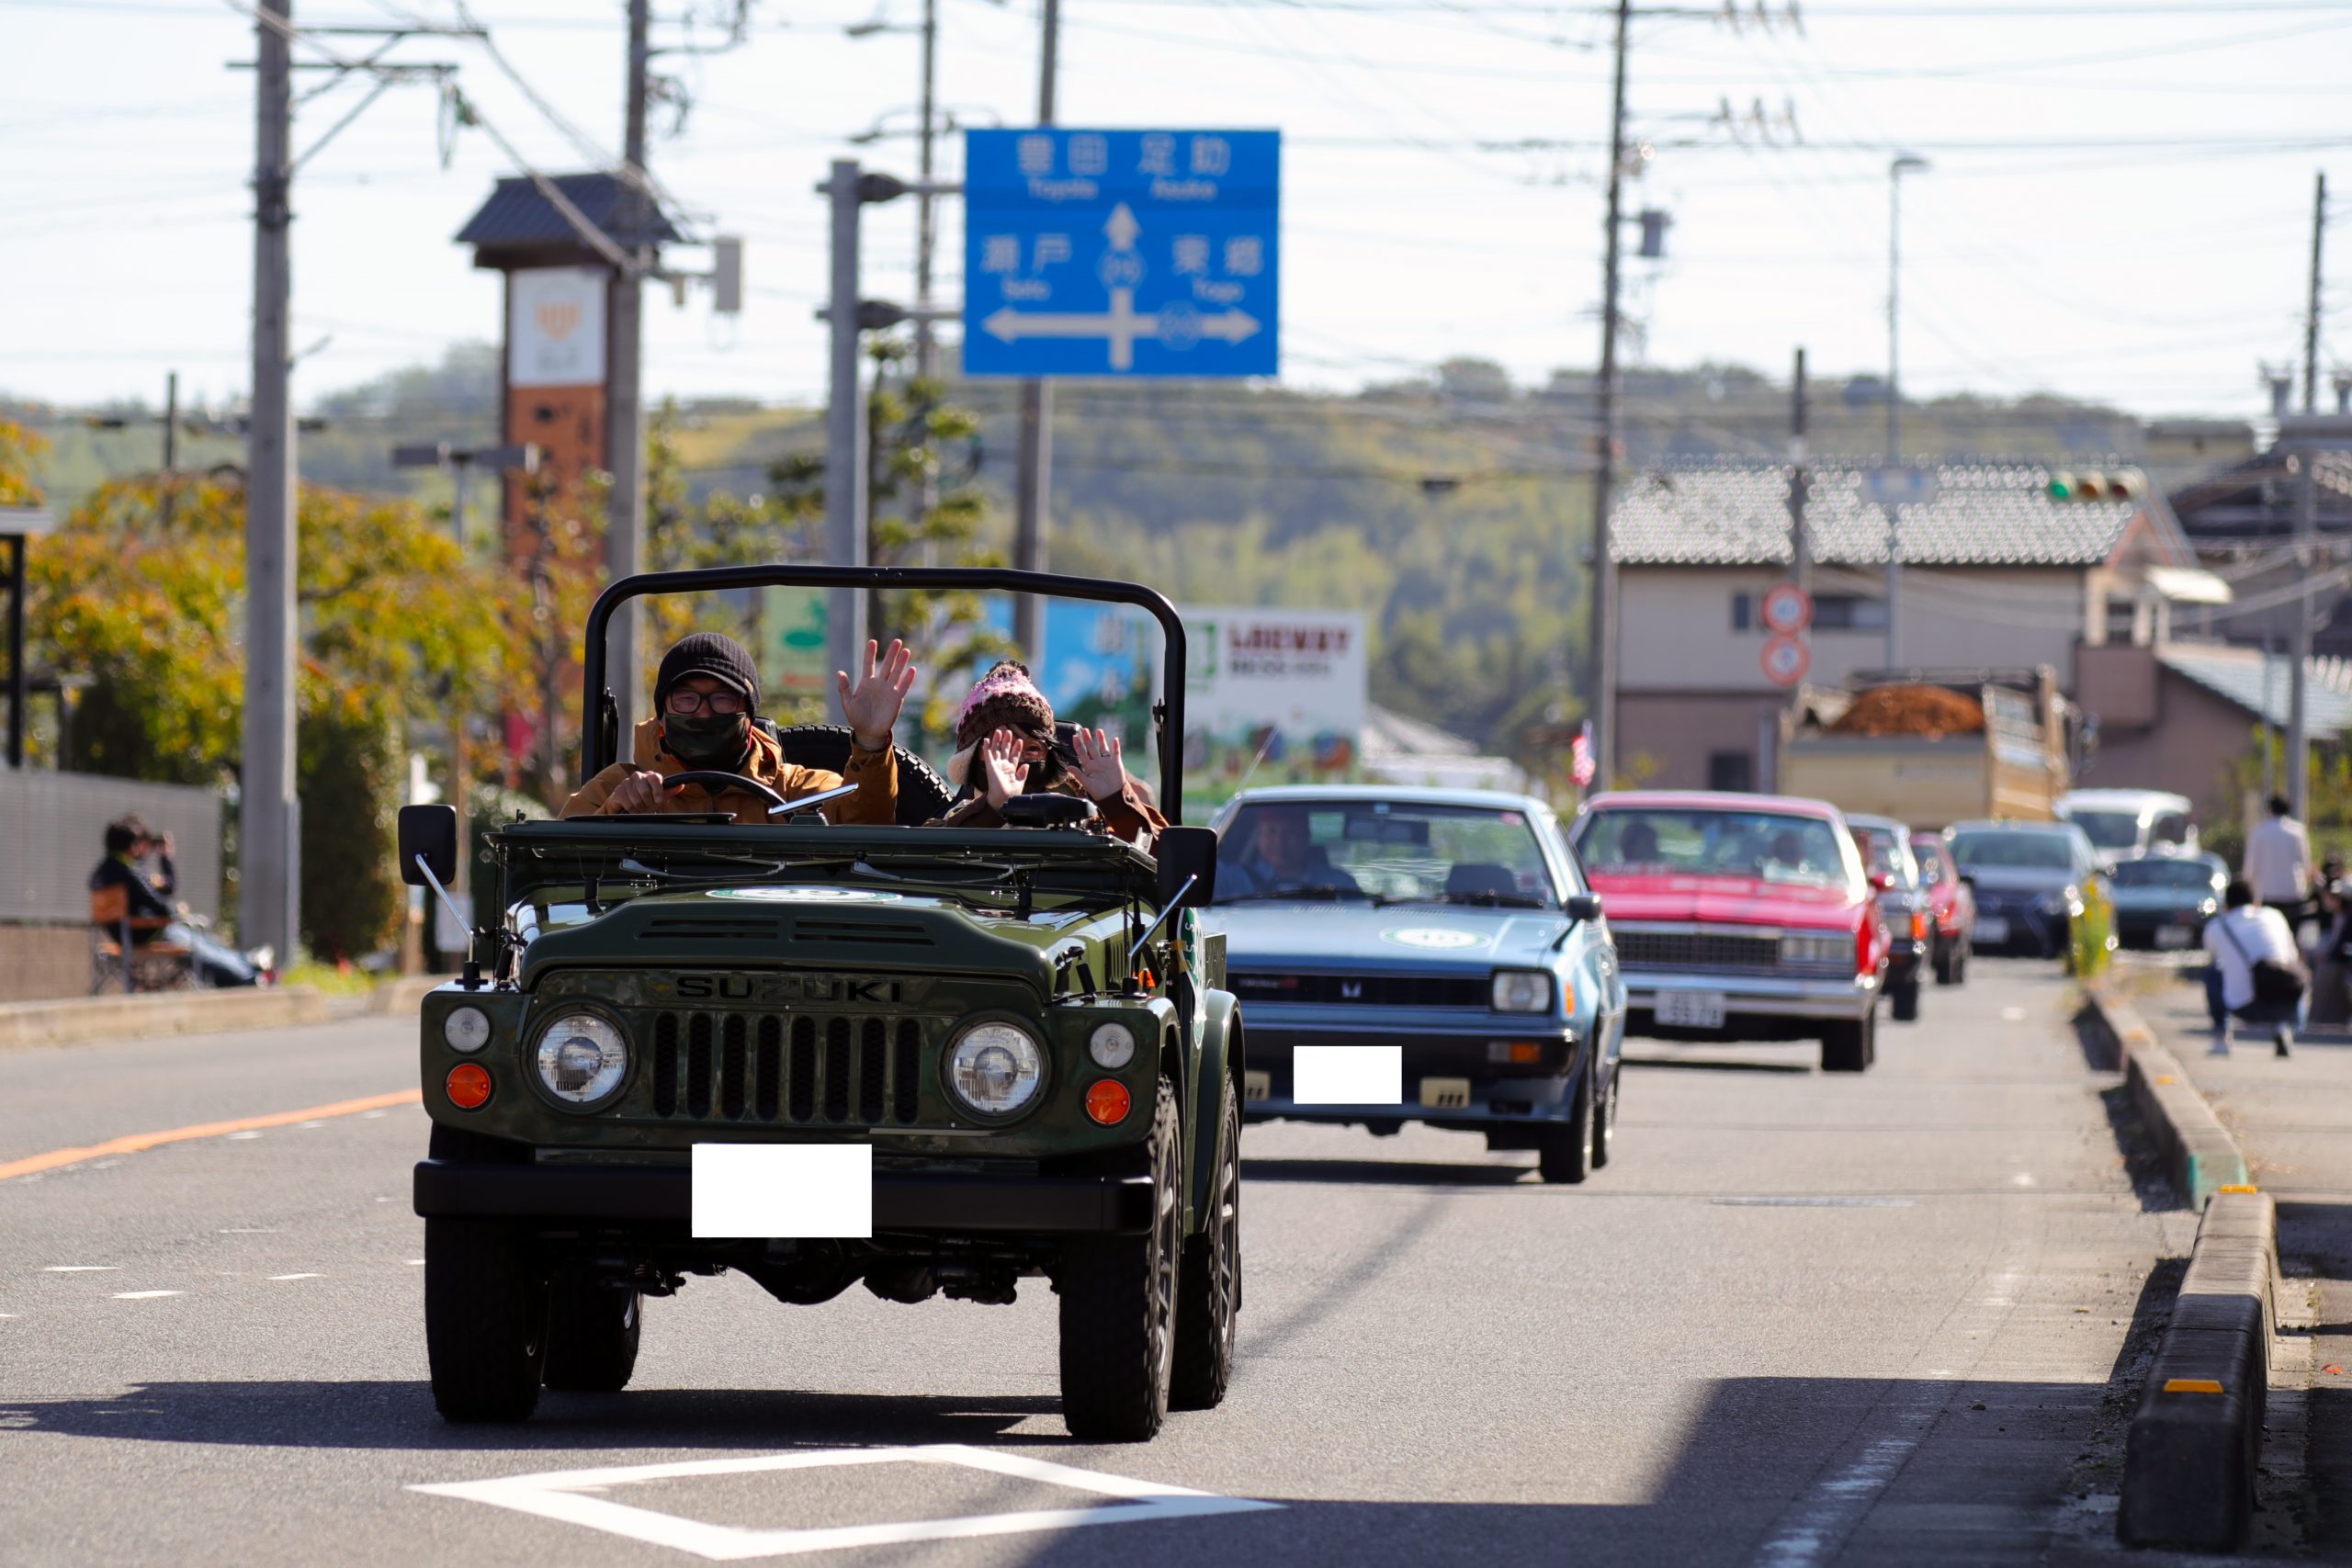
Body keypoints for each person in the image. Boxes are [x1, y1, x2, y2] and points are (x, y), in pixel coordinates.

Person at [564, 633, 913, 824]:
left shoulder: (798, 792)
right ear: (662, 713)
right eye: (686, 699)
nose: (703, 713)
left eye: (723, 699)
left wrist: (870, 741)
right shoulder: (620, 788)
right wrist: (615, 816)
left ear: (749, 714)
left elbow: (868, 823)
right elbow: (555, 868)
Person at [929, 661, 1164, 844]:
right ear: (973, 756)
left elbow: (1165, 872)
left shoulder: (1082, 821)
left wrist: (1118, 804)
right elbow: (927, 862)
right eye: (1003, 746)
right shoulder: (953, 823)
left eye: (1032, 748)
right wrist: (993, 808)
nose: (1017, 760)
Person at [87, 817, 264, 987]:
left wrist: (164, 859)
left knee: (198, 938)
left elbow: (163, 890)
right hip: (144, 934)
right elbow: (160, 905)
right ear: (133, 846)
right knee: (198, 943)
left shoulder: (102, 873)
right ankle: (246, 974)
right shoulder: (128, 873)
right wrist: (177, 912)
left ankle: (247, 964)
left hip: (126, 936)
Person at [2202, 878, 2305, 1057]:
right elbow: (2292, 956)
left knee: (2213, 973)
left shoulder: (2217, 926)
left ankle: (2222, 1036)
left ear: (2226, 905)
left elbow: (2212, 958)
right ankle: (2283, 1027)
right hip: (2284, 1003)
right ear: (2256, 902)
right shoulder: (2275, 916)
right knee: (2291, 971)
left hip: (2244, 1006)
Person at [1218, 803, 1360, 898]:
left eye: (1291, 832)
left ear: (1306, 838)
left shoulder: (1340, 884)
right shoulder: (1232, 880)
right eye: (1272, 832)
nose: (1280, 841)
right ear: (1259, 839)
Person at [2245, 793, 2313, 926]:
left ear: (2269, 809)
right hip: (2292, 891)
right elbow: (2306, 864)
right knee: (2292, 934)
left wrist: (2250, 891)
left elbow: (2251, 866)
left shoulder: (2258, 832)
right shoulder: (2298, 832)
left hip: (2267, 892)